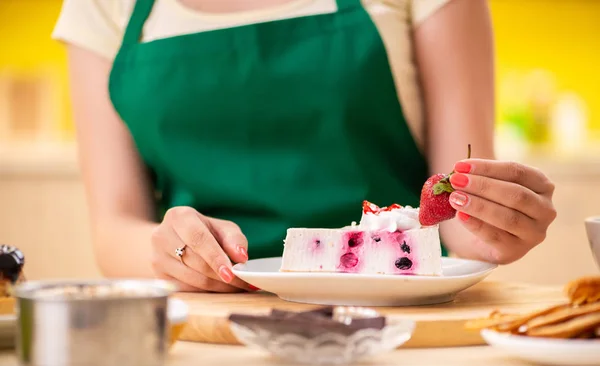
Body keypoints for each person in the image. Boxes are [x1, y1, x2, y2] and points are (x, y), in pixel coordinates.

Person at [52, 0, 556, 293]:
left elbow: (458, 215)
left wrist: (493, 226)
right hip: (204, 323)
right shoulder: (99, 7)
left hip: (395, 316)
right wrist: (163, 250)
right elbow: (113, 228)